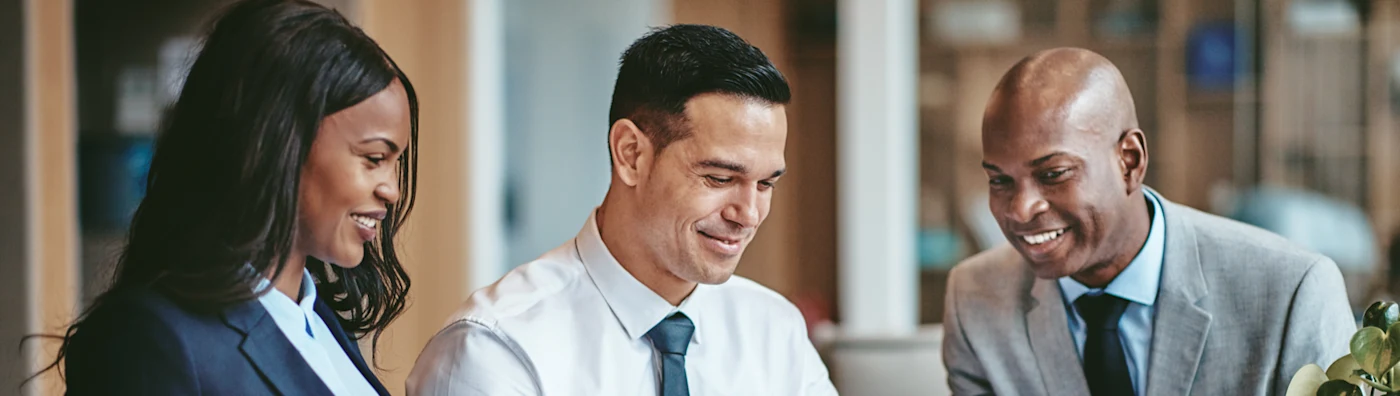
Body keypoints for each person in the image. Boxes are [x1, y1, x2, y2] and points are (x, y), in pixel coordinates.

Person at [406, 24, 836, 396]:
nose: (748, 214)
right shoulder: (498, 349)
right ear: (631, 154)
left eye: (765, 184)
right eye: (720, 179)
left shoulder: (775, 331)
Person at [50, 0, 419, 394]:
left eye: (395, 163)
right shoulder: (151, 341)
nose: (392, 191)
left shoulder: (319, 323)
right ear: (279, 142)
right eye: (374, 158)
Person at [941, 47, 1355, 396]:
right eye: (1000, 180)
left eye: (1053, 174)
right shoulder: (975, 299)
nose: (1020, 209)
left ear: (1130, 161)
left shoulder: (1291, 292)